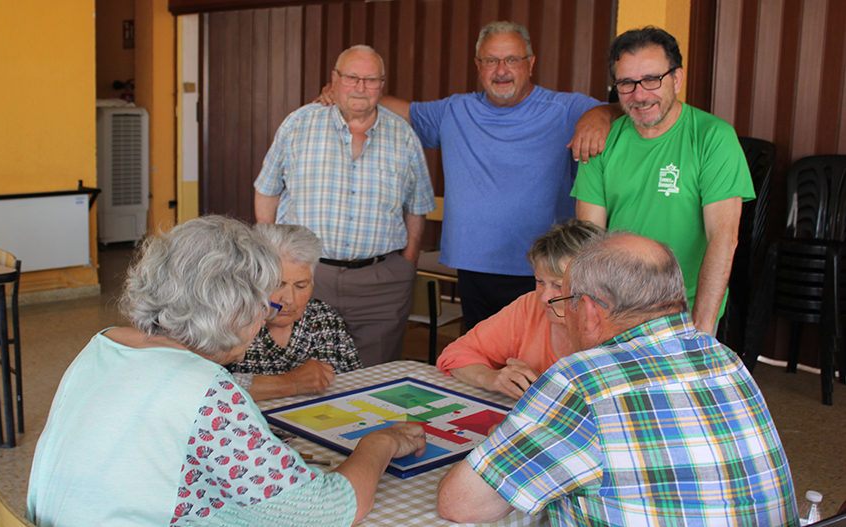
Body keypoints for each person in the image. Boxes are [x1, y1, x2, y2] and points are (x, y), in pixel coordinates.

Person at [26, 216, 426, 527]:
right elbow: (329, 511)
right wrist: (380, 443)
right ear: (237, 311)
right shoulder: (205, 390)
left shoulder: (104, 342)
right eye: (265, 301)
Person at [436, 232, 798, 525]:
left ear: (590, 311)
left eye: (568, 300)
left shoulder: (581, 380)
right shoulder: (723, 358)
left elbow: (462, 504)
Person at [320, 21, 620, 330]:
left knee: (537, 362)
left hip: (545, 272)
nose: (501, 70)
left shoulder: (567, 108)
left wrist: (602, 114)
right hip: (474, 267)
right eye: (491, 60)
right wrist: (350, 93)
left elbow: (625, 110)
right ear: (478, 65)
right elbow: (401, 112)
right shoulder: (455, 111)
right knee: (483, 360)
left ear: (530, 64)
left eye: (512, 60)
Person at [254, 45, 435, 367]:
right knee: (303, 376)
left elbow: (416, 210)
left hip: (381, 283)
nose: (361, 88)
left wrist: (406, 266)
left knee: (376, 378)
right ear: (334, 80)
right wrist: (273, 259)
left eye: (371, 80)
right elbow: (267, 191)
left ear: (382, 84)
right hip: (307, 277)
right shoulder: (298, 125)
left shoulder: (403, 136)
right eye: (352, 78)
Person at [572, 27, 754, 335]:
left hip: (683, 310)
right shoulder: (602, 141)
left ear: (677, 79)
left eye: (652, 80)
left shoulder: (712, 137)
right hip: (615, 309)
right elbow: (590, 241)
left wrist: (703, 326)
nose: (639, 95)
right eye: (626, 83)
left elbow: (724, 237)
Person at [436, 219, 604, 399]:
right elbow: (455, 355)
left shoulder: (616, 323)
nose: (545, 297)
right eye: (540, 281)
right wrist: (491, 377)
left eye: (558, 285)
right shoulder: (529, 306)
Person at [226, 224, 362, 401]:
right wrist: (292, 382)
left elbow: (357, 384)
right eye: (277, 285)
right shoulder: (231, 322)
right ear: (254, 280)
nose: (289, 299)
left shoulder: (324, 318)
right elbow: (205, 388)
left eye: (301, 286)